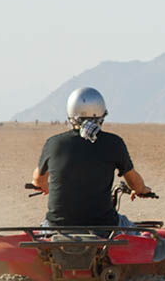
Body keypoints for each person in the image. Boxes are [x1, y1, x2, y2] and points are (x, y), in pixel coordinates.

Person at [31, 87, 152, 227]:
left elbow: (38, 180)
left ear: (70, 115)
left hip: (57, 226)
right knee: (138, 234)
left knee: (41, 235)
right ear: (101, 115)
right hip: (104, 225)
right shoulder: (113, 143)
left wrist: (45, 186)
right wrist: (141, 190)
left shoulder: (53, 143)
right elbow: (134, 182)